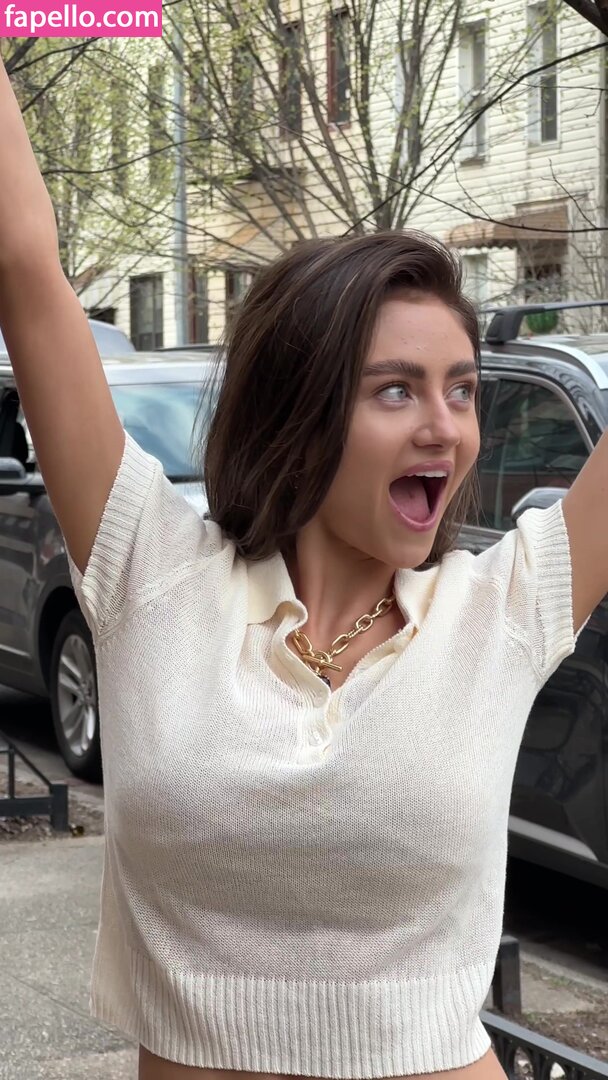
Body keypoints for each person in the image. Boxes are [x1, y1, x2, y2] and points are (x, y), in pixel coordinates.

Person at [1, 58, 607, 1080]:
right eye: (395, 390)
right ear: (299, 411)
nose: (445, 428)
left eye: (461, 390)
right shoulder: (152, 573)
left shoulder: (502, 609)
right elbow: (24, 267)